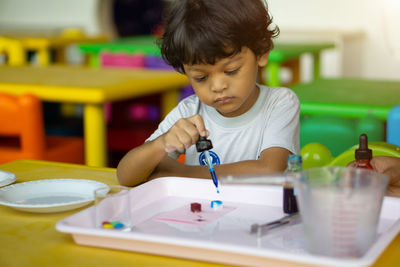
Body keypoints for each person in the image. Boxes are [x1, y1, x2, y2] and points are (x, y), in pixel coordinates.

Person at [117, 0, 300, 187]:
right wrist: (161, 144)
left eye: (231, 70)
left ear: (261, 52)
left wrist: (179, 172)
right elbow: (125, 176)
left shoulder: (279, 103)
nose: (218, 86)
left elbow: (269, 170)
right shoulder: (189, 111)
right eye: (201, 77)